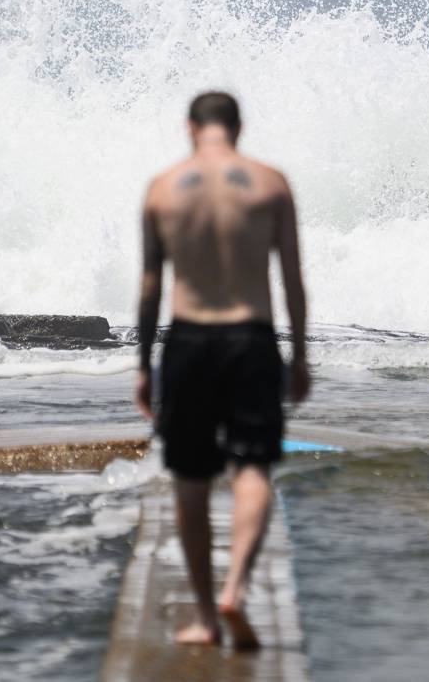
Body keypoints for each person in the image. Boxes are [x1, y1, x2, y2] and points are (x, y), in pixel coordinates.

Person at [134, 90, 310, 651]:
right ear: (239, 126)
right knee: (252, 469)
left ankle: (207, 617)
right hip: (251, 337)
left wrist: (143, 365)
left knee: (190, 479)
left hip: (187, 339)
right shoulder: (270, 183)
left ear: (190, 127)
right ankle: (236, 588)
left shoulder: (163, 188)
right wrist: (300, 354)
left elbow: (150, 287)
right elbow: (292, 281)